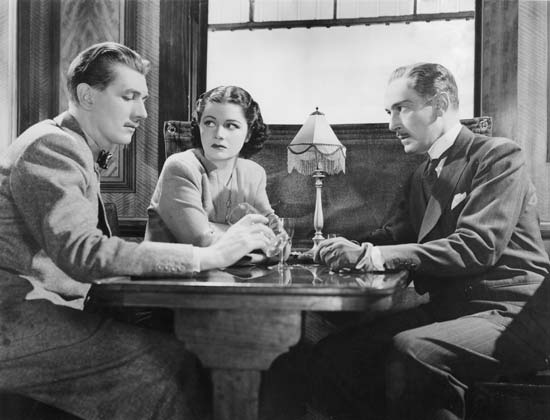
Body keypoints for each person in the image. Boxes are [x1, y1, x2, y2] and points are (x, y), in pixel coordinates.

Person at [0, 42, 276, 420]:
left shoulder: (71, 144)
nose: (143, 112)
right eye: (129, 97)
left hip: (36, 310)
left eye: (143, 99)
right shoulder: (54, 146)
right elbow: (83, 252)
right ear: (87, 96)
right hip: (14, 321)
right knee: (169, 368)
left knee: (185, 356)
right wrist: (209, 255)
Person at [301, 62, 550, 420]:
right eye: (389, 112)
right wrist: (330, 249)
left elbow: (476, 246)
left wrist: (370, 255)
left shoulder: (498, 156)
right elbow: (394, 236)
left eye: (402, 108)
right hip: (454, 311)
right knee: (337, 353)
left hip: (513, 314)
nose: (391, 124)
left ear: (441, 104)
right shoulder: (422, 173)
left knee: (415, 350)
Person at [146, 85, 280, 248]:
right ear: (199, 126)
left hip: (240, 265)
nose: (219, 134)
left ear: (248, 134)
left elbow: (275, 237)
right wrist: (257, 235)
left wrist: (276, 238)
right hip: (177, 264)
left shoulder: (254, 173)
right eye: (209, 123)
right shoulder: (180, 167)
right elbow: (201, 240)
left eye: (231, 125)